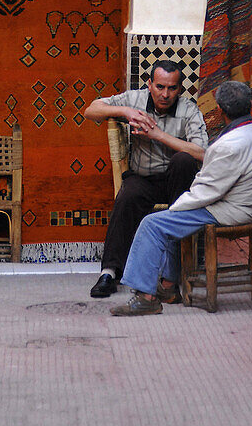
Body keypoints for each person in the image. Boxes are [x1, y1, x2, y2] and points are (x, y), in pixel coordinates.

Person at [110, 79, 252, 315]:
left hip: (231, 210)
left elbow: (206, 192)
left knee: (153, 224)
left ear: (220, 111)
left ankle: (146, 297)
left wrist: (176, 207)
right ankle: (167, 285)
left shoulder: (229, 145)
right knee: (167, 221)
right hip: (246, 205)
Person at [84, 61, 208, 298]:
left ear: (179, 89)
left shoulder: (188, 110)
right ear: (149, 84)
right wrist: (125, 111)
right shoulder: (135, 99)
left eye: (172, 88)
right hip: (144, 179)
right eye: (160, 86)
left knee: (184, 161)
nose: (165, 94)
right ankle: (109, 273)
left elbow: (202, 153)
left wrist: (158, 135)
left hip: (177, 184)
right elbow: (91, 110)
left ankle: (172, 274)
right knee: (128, 195)